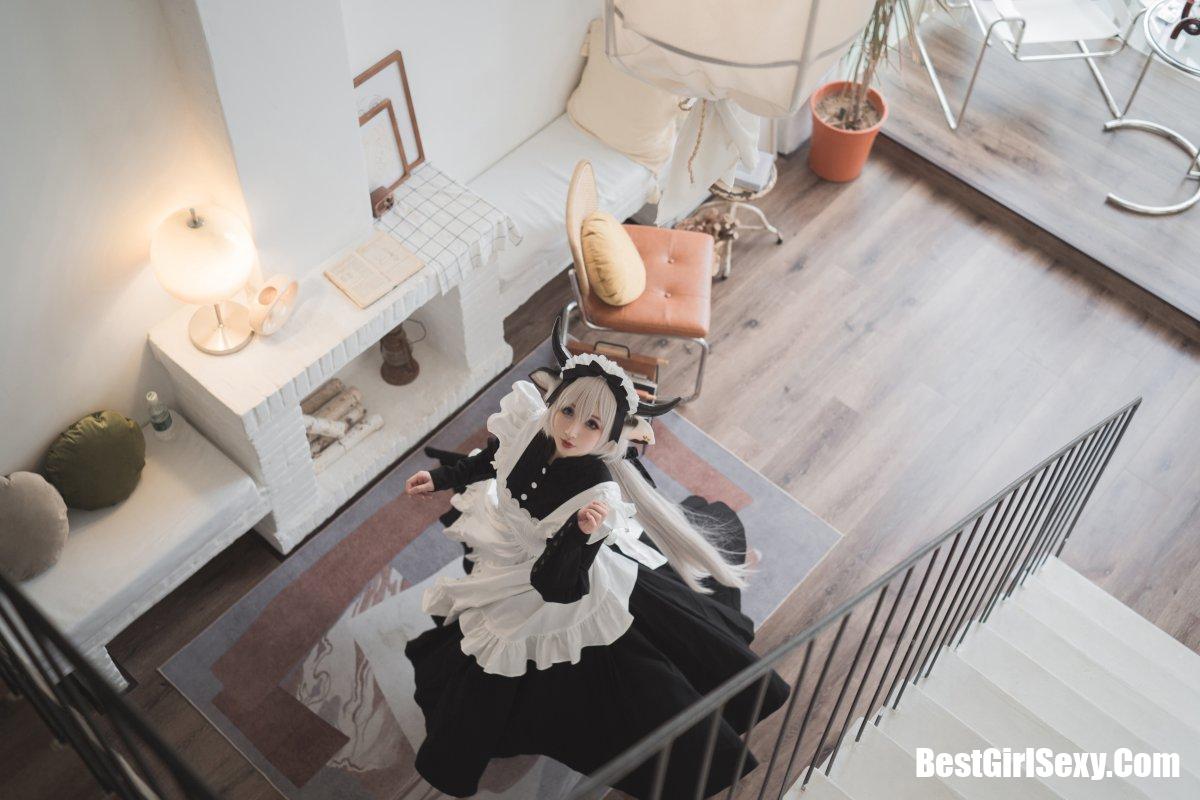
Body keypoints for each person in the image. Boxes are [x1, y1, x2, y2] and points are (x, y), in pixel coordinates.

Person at [402, 316, 789, 799]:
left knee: (616, 685)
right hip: (517, 557)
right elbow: (494, 459)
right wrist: (442, 479)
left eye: (591, 425)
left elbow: (558, 587)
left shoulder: (595, 496)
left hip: (568, 580)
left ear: (607, 437)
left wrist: (580, 536)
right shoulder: (533, 428)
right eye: (567, 412)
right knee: (491, 650)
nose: (571, 431)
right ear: (554, 403)